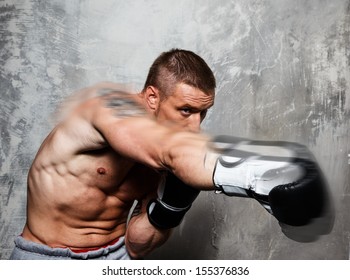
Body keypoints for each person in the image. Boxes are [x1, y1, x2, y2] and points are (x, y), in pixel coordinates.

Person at [10, 49, 329, 260]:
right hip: (47, 259)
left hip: (116, 257)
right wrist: (256, 171)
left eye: (202, 114)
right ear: (151, 96)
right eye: (185, 110)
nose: (194, 127)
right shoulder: (108, 105)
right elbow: (160, 146)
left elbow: (137, 243)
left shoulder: (171, 161)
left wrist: (172, 204)